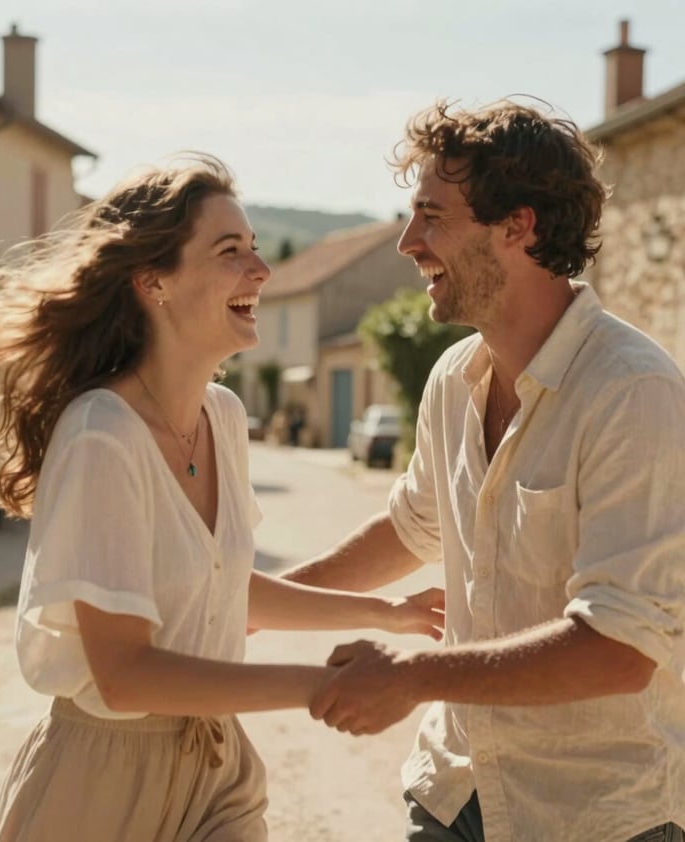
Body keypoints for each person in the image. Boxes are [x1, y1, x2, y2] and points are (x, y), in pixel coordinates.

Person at [0, 154, 445, 842]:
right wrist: (318, 687)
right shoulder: (101, 436)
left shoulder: (225, 418)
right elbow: (125, 676)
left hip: (215, 770)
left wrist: (387, 613)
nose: (260, 271)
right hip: (101, 782)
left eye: (256, 250)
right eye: (230, 252)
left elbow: (217, 584)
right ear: (154, 283)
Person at [282, 101, 685, 841]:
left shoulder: (633, 392)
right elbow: (411, 527)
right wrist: (252, 604)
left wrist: (412, 677)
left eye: (431, 217)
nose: (407, 243)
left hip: (595, 817)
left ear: (517, 227)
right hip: (451, 793)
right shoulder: (453, 376)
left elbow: (620, 649)